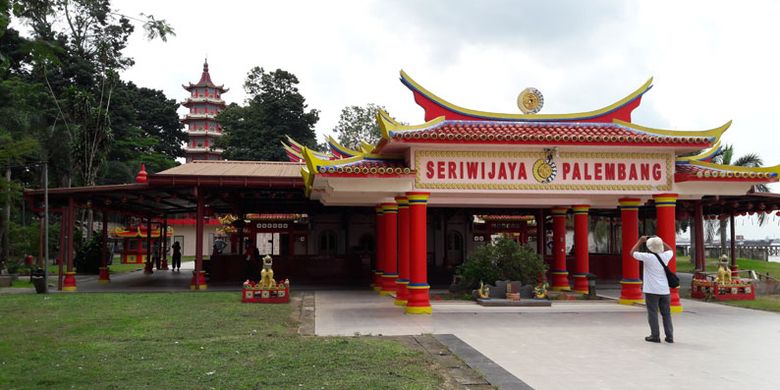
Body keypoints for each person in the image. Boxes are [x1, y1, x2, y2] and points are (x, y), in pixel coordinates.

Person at [631, 235, 674, 343]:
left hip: (651, 290)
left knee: (653, 313)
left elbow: (632, 253)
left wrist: (640, 241)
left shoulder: (647, 257)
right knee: (666, 314)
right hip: (665, 290)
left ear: (649, 247)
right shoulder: (666, 256)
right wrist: (661, 241)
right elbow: (671, 250)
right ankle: (669, 336)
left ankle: (655, 336)